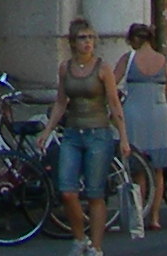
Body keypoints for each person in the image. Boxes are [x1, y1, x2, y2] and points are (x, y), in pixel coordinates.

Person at [47, 16, 124, 253]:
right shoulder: (65, 68)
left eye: (91, 38)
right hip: (72, 133)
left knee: (94, 193)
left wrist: (124, 137)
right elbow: (61, 102)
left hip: (98, 133)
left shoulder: (103, 68)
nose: (87, 42)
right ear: (73, 42)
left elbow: (114, 103)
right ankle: (80, 238)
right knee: (67, 191)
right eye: (82, 38)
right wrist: (48, 129)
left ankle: (96, 247)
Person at [119, 24, 167, 238]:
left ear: (133, 40)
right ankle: (156, 217)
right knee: (158, 169)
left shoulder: (128, 59)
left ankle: (139, 216)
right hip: (160, 112)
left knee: (139, 170)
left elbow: (113, 82)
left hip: (135, 113)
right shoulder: (164, 60)